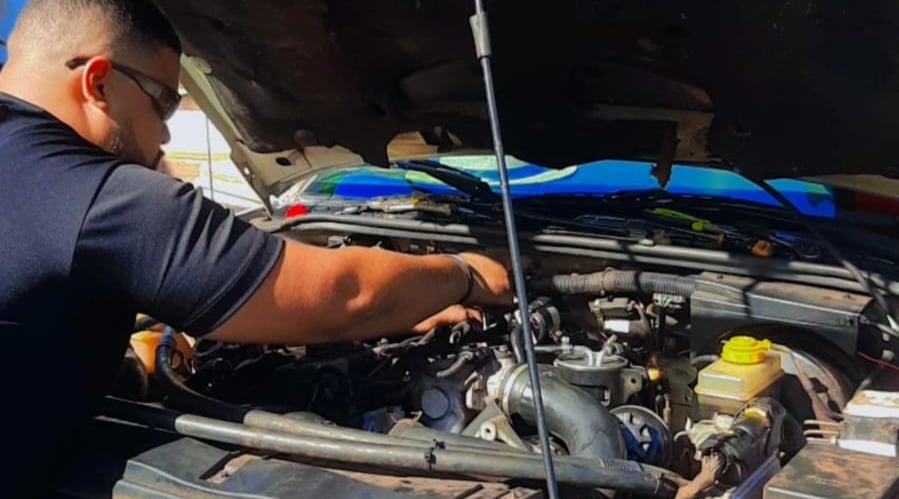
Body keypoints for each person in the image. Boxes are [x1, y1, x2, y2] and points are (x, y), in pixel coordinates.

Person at [0, 0, 512, 494]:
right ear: (97, 83)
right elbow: (344, 295)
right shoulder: (101, 199)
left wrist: (401, 305)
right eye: (165, 103)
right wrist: (462, 273)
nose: (165, 134)